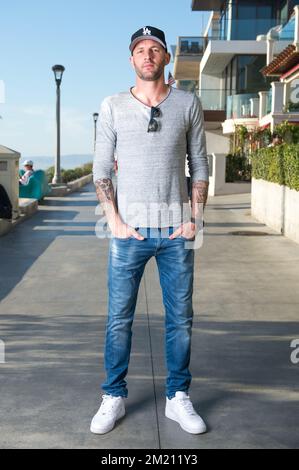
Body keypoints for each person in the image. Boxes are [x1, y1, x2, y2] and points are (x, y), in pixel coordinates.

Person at [91, 26, 209, 436]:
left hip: (177, 232)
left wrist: (196, 217)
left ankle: (178, 397)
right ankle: (113, 395)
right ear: (131, 59)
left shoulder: (188, 104)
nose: (147, 54)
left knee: (181, 319)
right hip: (129, 234)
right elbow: (101, 169)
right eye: (140, 49)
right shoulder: (113, 106)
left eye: (155, 48)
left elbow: (200, 162)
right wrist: (115, 221)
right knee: (118, 319)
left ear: (165, 58)